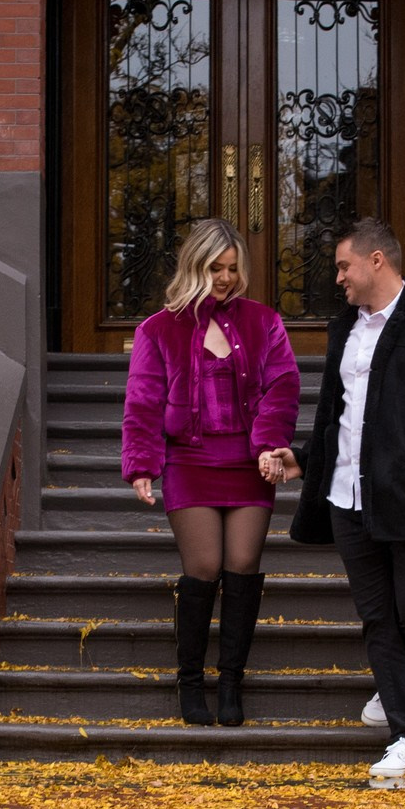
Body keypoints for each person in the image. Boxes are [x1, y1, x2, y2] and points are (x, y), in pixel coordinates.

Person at [261, 219, 405, 789]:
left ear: (378, 261)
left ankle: (394, 693)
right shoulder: (345, 329)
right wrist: (305, 458)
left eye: (344, 267)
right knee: (379, 618)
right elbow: (340, 416)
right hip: (346, 496)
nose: (338, 278)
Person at [121, 219, 302, 726]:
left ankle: (230, 684)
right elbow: (143, 400)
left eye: (231, 268)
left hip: (249, 464)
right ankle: (190, 684)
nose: (225, 278)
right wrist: (141, 464)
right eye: (214, 268)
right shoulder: (158, 328)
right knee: (203, 568)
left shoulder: (263, 321)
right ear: (194, 266)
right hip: (190, 462)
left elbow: (283, 387)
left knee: (242, 565)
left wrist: (270, 445)